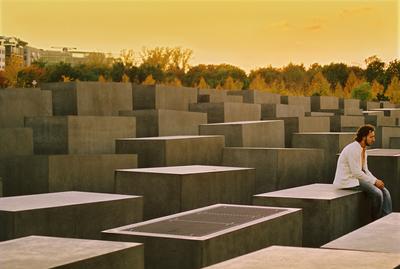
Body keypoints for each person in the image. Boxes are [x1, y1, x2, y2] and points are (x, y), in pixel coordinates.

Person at [333, 124, 392, 220]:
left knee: (385, 191)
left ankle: (386, 218)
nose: (374, 139)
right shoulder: (353, 149)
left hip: (356, 178)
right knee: (377, 193)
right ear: (364, 137)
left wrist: (376, 180)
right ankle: (375, 221)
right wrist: (374, 182)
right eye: (371, 137)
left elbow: (365, 170)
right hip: (347, 180)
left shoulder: (363, 150)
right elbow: (356, 172)